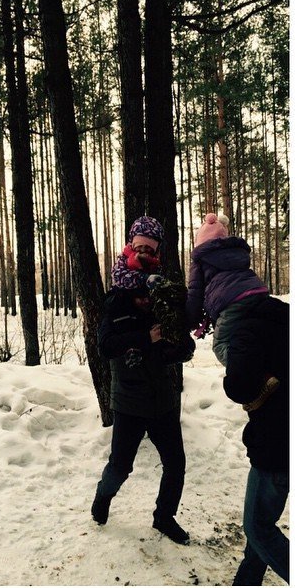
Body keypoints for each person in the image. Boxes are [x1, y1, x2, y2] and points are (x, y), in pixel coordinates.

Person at [91, 218, 195, 546]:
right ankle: (103, 497)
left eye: (151, 248)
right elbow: (105, 345)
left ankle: (164, 517)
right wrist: (144, 338)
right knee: (120, 467)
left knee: (176, 464)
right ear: (130, 246)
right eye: (140, 247)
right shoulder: (117, 297)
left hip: (163, 398)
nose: (145, 252)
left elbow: (183, 346)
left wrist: (179, 346)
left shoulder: (163, 292)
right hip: (129, 400)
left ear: (158, 251)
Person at [223, 295, 289, 585]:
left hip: (273, 442)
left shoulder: (245, 329)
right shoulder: (287, 321)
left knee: (258, 528)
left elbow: (238, 385)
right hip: (290, 433)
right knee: (262, 523)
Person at [185, 213, 269, 366]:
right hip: (258, 292)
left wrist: (190, 319)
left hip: (232, 301)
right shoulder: (236, 252)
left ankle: (252, 371)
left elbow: (195, 291)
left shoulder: (199, 260)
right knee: (255, 333)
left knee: (220, 345)